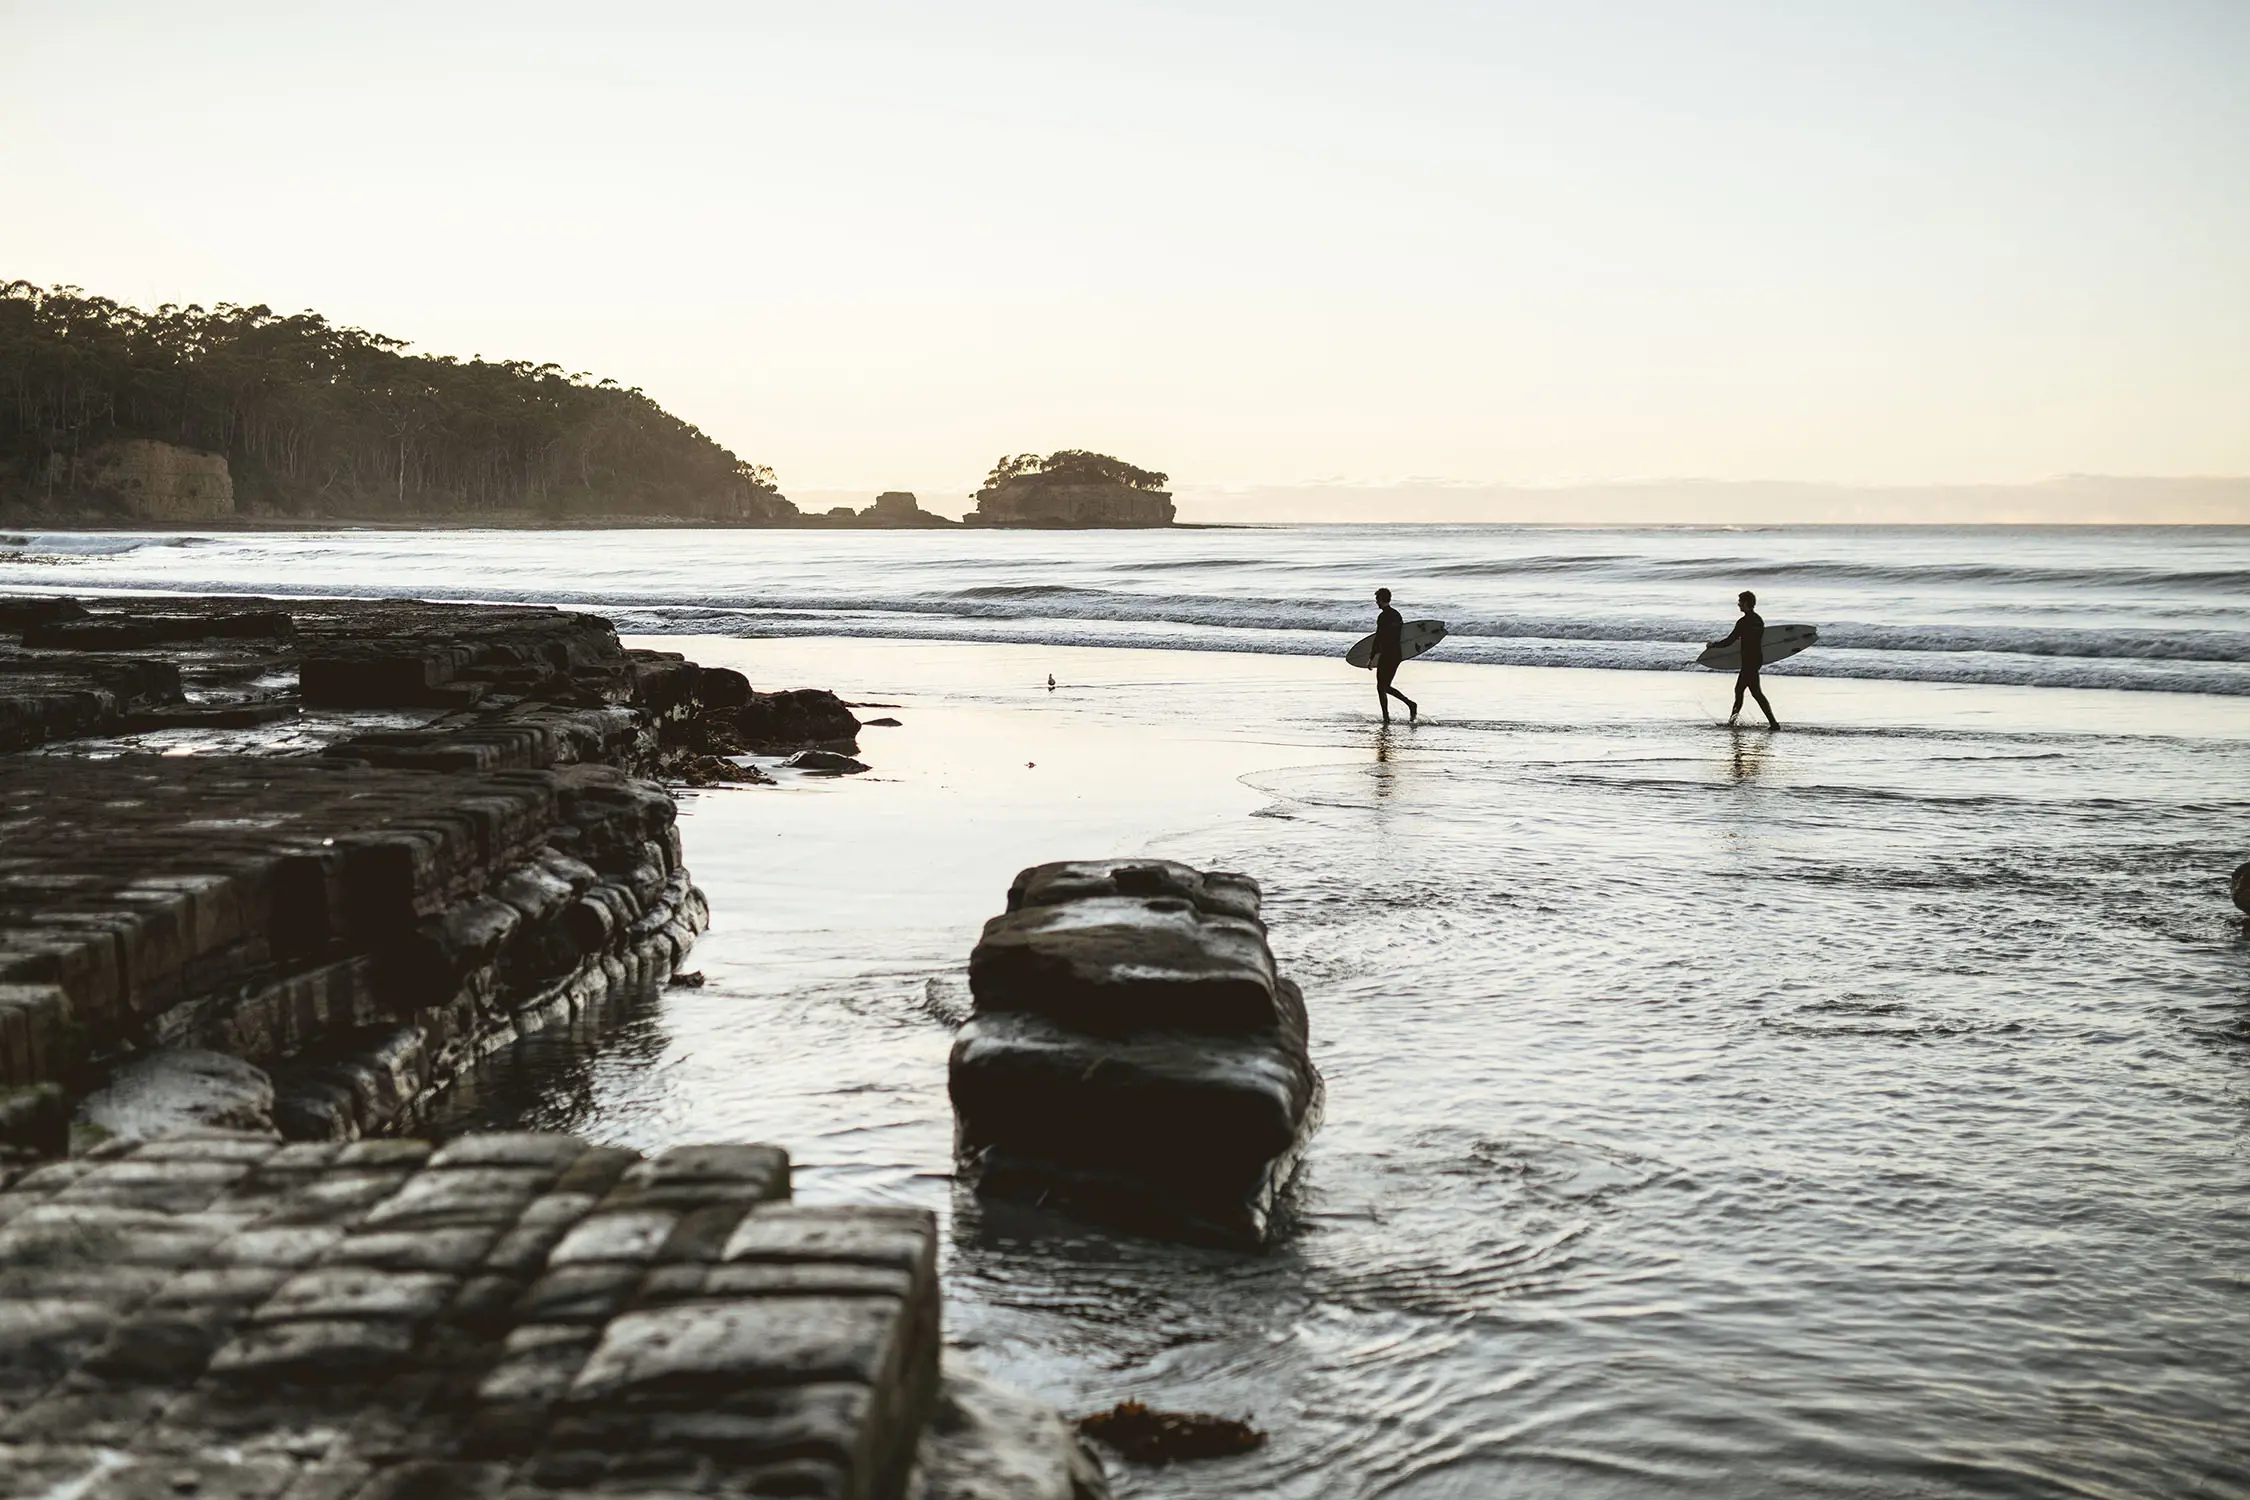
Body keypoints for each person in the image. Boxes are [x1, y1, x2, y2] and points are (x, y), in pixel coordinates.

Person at [1710, 590, 1778, 728]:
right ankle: (1769, 722)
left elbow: (1729, 640)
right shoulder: (1758, 620)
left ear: (1746, 603)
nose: (1738, 604)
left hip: (1748, 661)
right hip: (1756, 659)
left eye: (1740, 601)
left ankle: (1771, 723)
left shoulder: (1743, 622)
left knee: (1748, 691)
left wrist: (1714, 645)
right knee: (1748, 691)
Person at [1372, 588, 1418, 724]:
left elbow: (1379, 637)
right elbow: (1400, 635)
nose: (1376, 603)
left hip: (1386, 654)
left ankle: (1387, 717)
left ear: (1381, 599)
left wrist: (1372, 656)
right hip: (1397, 654)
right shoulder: (1396, 615)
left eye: (1377, 600)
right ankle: (1410, 704)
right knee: (1385, 686)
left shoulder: (1383, 616)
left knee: (1381, 687)